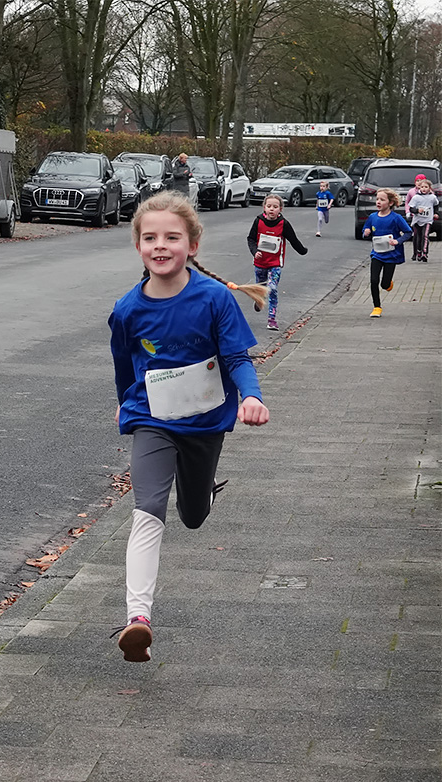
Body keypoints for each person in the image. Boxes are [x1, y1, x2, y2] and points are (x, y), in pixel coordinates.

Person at [109, 192, 270, 663]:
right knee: (147, 509)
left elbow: (237, 357)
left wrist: (252, 396)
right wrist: (123, 404)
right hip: (152, 420)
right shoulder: (127, 310)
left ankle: (202, 492)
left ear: (192, 246)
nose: (160, 245)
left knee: (193, 515)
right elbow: (124, 367)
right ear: (138, 246)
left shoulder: (214, 299)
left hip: (204, 423)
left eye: (171, 237)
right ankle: (138, 619)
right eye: (150, 238)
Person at [246, 194, 308, 331]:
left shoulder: (283, 224)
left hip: (275, 264)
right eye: (269, 206)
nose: (272, 209)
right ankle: (259, 299)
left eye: (275, 207)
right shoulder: (258, 221)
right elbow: (251, 239)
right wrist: (255, 251)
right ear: (264, 208)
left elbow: (293, 240)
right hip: (260, 263)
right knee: (261, 288)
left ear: (280, 209)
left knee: (272, 288)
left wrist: (303, 250)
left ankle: (272, 319)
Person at [361, 188, 413, 317]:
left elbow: (408, 232)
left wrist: (398, 241)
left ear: (390, 203)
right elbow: (366, 228)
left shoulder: (396, 218)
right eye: (377, 199)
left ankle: (388, 283)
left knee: (384, 284)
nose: (378, 202)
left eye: (382, 200)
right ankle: (377, 307)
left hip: (391, 255)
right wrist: (366, 232)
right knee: (374, 280)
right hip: (377, 254)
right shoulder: (372, 217)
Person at [406, 177, 438, 263]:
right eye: (422, 187)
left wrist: (435, 213)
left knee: (425, 236)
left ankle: (425, 253)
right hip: (417, 220)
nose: (424, 189)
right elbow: (411, 208)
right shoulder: (416, 197)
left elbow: (436, 205)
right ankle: (418, 252)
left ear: (429, 188)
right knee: (418, 236)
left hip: (428, 220)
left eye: (426, 187)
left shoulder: (432, 197)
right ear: (419, 188)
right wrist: (417, 211)